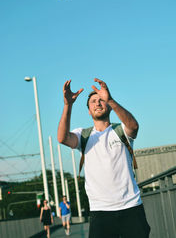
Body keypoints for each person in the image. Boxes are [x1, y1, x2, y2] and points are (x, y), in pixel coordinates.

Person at [57, 78, 151, 238]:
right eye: (93, 101)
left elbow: (134, 126)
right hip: (100, 212)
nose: (98, 103)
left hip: (131, 207)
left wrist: (111, 100)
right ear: (88, 110)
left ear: (108, 105)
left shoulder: (121, 130)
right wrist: (68, 105)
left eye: (101, 100)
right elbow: (62, 138)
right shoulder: (83, 135)